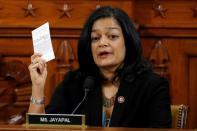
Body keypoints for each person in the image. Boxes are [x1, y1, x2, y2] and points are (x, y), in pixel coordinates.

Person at [28, 6, 172, 128]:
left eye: (112, 36)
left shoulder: (152, 86)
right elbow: (39, 128)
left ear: (128, 41)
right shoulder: (74, 83)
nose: (102, 43)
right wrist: (38, 87)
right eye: (95, 38)